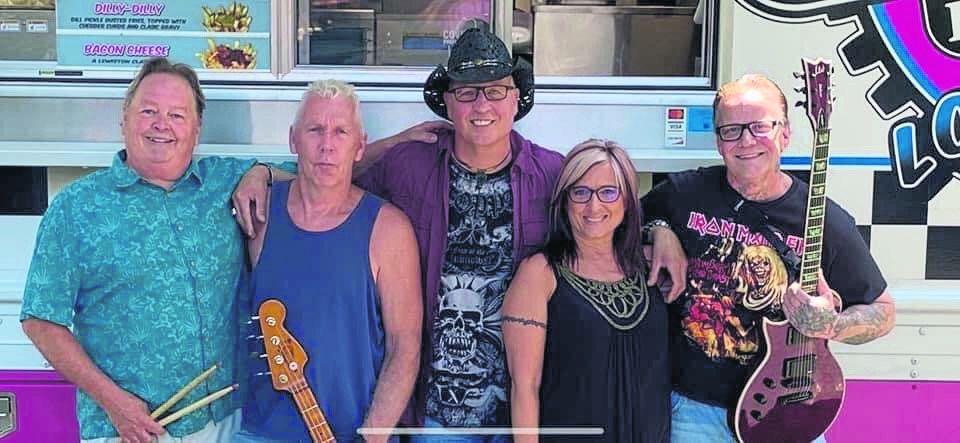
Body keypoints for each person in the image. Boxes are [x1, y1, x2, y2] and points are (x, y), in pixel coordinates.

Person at [234, 27, 686, 441]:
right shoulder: (408, 167)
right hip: (436, 415)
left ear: (516, 100)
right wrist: (265, 172)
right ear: (448, 104)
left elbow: (604, 215)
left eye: (495, 90)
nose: (482, 105)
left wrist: (658, 228)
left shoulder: (551, 174)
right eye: (467, 92)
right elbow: (329, 177)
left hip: (526, 407)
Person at [18, 57, 438, 443]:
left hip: (226, 424)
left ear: (196, 128)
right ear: (124, 117)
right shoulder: (77, 208)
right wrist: (113, 402)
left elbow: (325, 169)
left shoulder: (221, 182)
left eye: (177, 114)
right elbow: (40, 320)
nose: (162, 125)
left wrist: (398, 144)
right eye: (148, 111)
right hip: (130, 428)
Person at [641, 74, 897, 442]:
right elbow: (619, 223)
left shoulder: (824, 219)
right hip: (695, 412)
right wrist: (660, 229)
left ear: (785, 133)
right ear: (718, 142)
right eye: (731, 130)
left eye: (760, 126)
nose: (746, 140)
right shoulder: (684, 194)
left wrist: (833, 325)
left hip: (791, 412)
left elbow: (883, 312)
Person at [233, 80, 422, 443]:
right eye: (315, 130)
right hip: (262, 434)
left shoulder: (388, 229)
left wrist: (373, 435)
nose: (327, 145)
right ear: (293, 139)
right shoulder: (260, 215)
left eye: (341, 132)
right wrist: (261, 171)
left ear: (359, 146)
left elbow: (405, 346)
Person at [503, 139, 670, 443]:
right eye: (580, 192)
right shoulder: (540, 273)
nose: (594, 206)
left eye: (608, 192)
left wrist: (662, 231)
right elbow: (524, 387)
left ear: (627, 201)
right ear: (564, 201)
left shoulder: (653, 265)